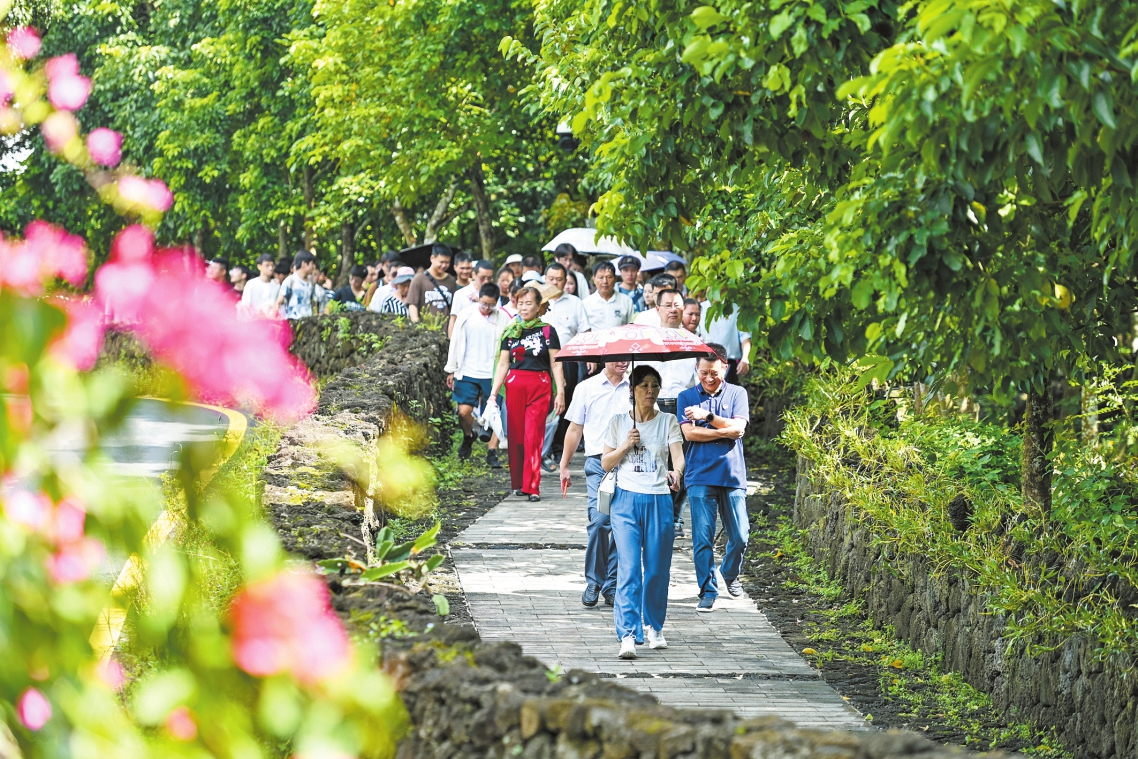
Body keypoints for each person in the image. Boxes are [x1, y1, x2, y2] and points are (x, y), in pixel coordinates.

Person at [602, 365, 685, 658]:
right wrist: (627, 444)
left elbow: (678, 457)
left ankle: (654, 627)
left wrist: (676, 473)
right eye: (644, 386)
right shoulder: (617, 422)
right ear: (632, 391)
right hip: (625, 501)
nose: (650, 391)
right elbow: (606, 463)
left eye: (655, 386)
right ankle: (627, 634)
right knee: (628, 569)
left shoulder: (669, 421)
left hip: (659, 498)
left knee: (657, 569)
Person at [677, 342, 750, 613]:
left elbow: (740, 427)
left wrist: (707, 416)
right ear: (697, 368)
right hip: (699, 474)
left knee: (740, 535)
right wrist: (724, 428)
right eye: (704, 372)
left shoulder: (737, 393)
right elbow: (691, 435)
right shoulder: (686, 396)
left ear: (725, 368)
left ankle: (729, 572)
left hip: (732, 474)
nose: (709, 378)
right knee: (702, 538)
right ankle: (708, 589)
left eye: (715, 373)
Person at [560, 360, 630, 609]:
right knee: (600, 521)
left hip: (630, 464)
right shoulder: (586, 387)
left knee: (623, 525)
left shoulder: (637, 386)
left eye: (626, 357)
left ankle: (611, 585)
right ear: (605, 359)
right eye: (617, 357)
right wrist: (564, 465)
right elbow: (575, 428)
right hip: (598, 464)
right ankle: (594, 580)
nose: (623, 362)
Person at [487, 286, 566, 501]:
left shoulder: (548, 331)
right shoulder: (510, 331)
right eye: (520, 303)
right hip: (514, 385)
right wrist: (494, 393)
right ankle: (519, 483)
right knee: (516, 436)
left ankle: (533, 486)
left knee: (534, 435)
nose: (524, 307)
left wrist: (560, 392)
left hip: (539, 385)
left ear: (538, 305)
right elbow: (503, 364)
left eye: (528, 303)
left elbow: (556, 364)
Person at [446, 283, 511, 468]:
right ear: (478, 298)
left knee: (495, 412)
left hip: (493, 371)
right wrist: (451, 369)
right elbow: (455, 343)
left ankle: (492, 451)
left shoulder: (504, 319)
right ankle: (468, 436)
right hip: (468, 370)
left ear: (497, 303)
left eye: (490, 305)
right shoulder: (466, 315)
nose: (486, 308)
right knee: (463, 411)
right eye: (483, 304)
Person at [541, 263, 591, 471]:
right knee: (544, 404)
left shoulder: (575, 303)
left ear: (565, 281)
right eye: (551, 278)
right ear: (545, 279)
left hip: (567, 359)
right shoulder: (537, 300)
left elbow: (585, 331)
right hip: (541, 360)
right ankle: (543, 449)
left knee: (565, 403)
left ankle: (559, 447)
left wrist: (589, 355)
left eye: (559, 279)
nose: (554, 283)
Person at [699, 301, 752, 385]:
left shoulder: (737, 309)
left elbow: (745, 337)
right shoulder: (701, 307)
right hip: (704, 363)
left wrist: (745, 358)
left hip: (728, 365)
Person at [406, 243, 457, 322]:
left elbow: (455, 307)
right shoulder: (419, 279)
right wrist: (416, 323)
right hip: (426, 330)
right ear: (432, 258)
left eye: (447, 262)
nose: (444, 265)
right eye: (441, 262)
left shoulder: (451, 280)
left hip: (446, 331)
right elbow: (412, 304)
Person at [582, 261, 635, 332]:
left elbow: (631, 328)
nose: (605, 281)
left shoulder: (626, 301)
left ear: (615, 278)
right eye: (600, 277)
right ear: (594, 279)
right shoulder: (586, 303)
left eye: (609, 277)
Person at [448, 259, 496, 336]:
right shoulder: (461, 294)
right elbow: (453, 319)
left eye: (489, 278)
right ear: (474, 275)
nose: (486, 281)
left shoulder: (495, 294)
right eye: (482, 278)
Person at [276, 251, 323, 319]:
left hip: (309, 323)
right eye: (312, 263)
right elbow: (279, 303)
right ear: (304, 264)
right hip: (292, 322)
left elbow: (314, 303)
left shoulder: (311, 282)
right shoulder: (290, 281)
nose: (314, 266)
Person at [238, 253, 281, 319]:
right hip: (255, 321)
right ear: (259, 266)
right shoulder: (251, 284)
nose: (271, 268)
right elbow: (245, 305)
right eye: (267, 265)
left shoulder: (276, 285)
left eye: (272, 265)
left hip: (272, 321)